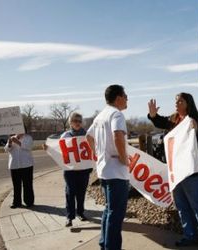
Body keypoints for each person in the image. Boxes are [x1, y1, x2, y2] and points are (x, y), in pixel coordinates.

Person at [147, 93, 198, 250]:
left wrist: (196, 131)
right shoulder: (174, 119)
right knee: (182, 206)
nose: (177, 103)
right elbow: (161, 122)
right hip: (176, 173)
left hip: (193, 172)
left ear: (188, 104)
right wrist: (153, 115)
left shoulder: (195, 121)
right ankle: (190, 235)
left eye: (180, 101)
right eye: (176, 101)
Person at [86, 84, 129, 250]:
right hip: (116, 172)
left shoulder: (100, 116)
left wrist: (96, 154)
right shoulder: (116, 114)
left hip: (104, 170)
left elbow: (88, 137)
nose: (127, 99)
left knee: (108, 210)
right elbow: (118, 135)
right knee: (115, 214)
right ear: (118, 98)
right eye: (125, 96)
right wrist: (124, 159)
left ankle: (104, 244)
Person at [53, 112, 93, 227]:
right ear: (70, 122)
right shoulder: (65, 136)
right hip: (70, 171)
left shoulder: (87, 135)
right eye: (75, 121)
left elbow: (93, 150)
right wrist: (48, 148)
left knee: (81, 193)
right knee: (70, 193)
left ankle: (80, 212)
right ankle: (69, 217)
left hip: (84, 170)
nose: (77, 123)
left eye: (79, 121)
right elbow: (59, 151)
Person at [4, 130, 35, 209]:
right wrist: (10, 143)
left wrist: (17, 142)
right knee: (16, 185)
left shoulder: (28, 138)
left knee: (27, 184)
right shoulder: (12, 137)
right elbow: (6, 149)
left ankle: (29, 202)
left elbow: (28, 147)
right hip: (14, 165)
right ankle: (17, 202)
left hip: (26, 165)